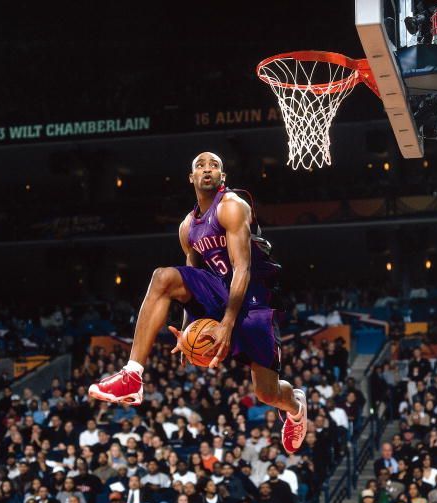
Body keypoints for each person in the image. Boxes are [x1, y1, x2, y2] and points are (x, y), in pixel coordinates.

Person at [89, 151, 307, 455]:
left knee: (267, 393)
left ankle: (296, 408)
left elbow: (242, 269)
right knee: (163, 277)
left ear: (222, 177)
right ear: (191, 178)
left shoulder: (232, 207)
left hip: (254, 298)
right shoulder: (187, 227)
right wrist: (186, 328)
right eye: (200, 166)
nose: (207, 169)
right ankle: (132, 375)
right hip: (219, 289)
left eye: (214, 165)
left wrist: (228, 325)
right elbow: (190, 279)